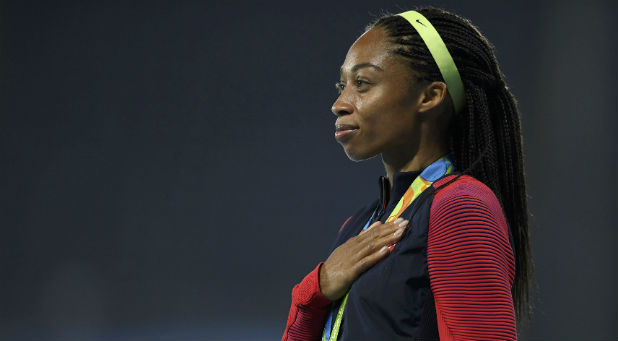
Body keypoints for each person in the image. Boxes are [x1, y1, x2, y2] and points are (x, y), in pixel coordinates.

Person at [282, 7, 533, 341]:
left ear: (429, 96)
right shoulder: (358, 227)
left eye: (363, 83)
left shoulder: (461, 207)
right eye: (342, 85)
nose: (340, 103)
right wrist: (316, 289)